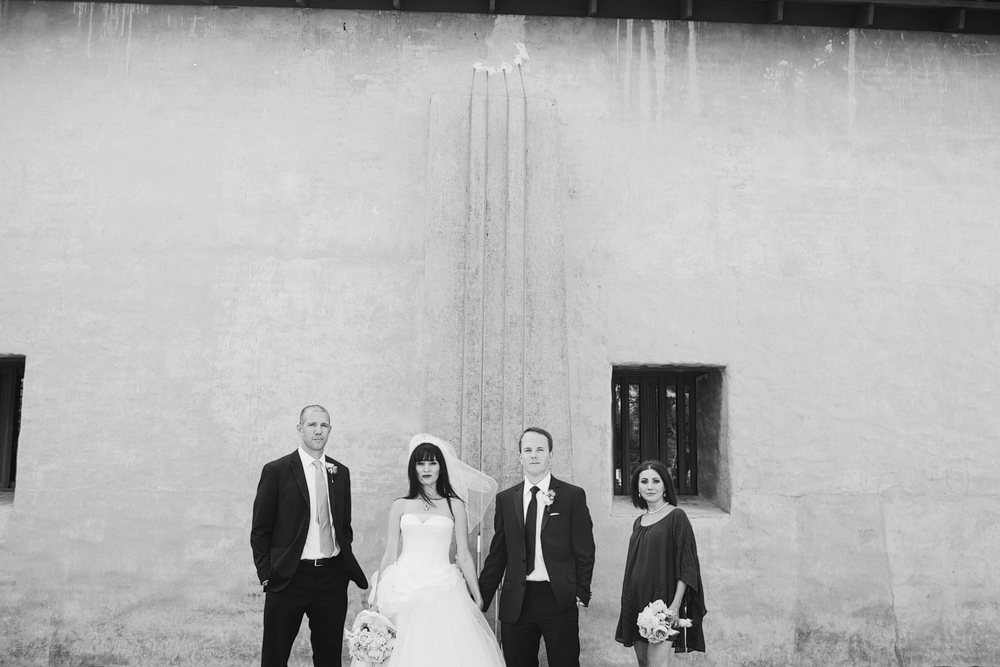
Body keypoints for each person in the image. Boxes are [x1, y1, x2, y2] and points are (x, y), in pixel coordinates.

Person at [250, 405, 368, 667]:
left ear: (330, 430)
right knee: (275, 657)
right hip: (289, 578)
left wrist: (342, 567)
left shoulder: (340, 472)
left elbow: (343, 526)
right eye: (312, 425)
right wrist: (267, 575)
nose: (318, 431)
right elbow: (260, 529)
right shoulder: (277, 471)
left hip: (331, 578)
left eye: (324, 425)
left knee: (329, 658)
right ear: (300, 428)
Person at [375, 434, 504, 667]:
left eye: (432, 463)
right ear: (413, 468)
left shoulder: (455, 505)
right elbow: (390, 553)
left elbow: (463, 554)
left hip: (442, 587)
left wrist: (477, 594)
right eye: (420, 463)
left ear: (441, 468)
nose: (426, 469)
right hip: (404, 588)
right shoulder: (400, 506)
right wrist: (376, 595)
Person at [478, 427, 596, 667]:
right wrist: (479, 600)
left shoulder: (572, 496)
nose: (534, 455)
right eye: (528, 450)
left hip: (558, 598)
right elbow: (498, 555)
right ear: (519, 456)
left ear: (550, 455)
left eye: (540, 449)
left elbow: (585, 550)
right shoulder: (505, 499)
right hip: (516, 601)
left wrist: (580, 592)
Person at [615, 460, 706, 666]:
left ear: (665, 486)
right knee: (644, 662)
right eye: (644, 481)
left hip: (662, 603)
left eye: (656, 481)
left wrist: (674, 606)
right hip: (636, 600)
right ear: (637, 488)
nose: (650, 486)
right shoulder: (638, 522)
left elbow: (687, 564)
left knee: (657, 663)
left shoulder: (677, 517)